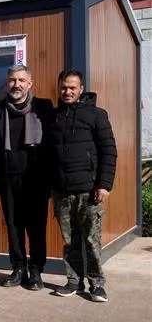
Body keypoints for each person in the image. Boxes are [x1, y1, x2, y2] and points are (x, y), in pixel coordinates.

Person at [50, 69, 116, 302]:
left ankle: (97, 284)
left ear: (81, 89)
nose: (67, 91)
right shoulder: (55, 117)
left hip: (89, 191)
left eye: (72, 87)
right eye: (63, 87)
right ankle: (73, 281)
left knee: (91, 240)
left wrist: (104, 185)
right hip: (62, 192)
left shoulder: (97, 115)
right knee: (70, 241)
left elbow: (109, 151)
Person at [0, 65, 54, 291]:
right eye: (12, 80)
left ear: (29, 83)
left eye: (21, 80)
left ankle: (35, 269)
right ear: (6, 83)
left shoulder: (44, 107)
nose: (16, 85)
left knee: (36, 227)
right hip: (8, 178)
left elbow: (54, 142)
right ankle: (18, 267)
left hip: (36, 178)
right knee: (13, 226)